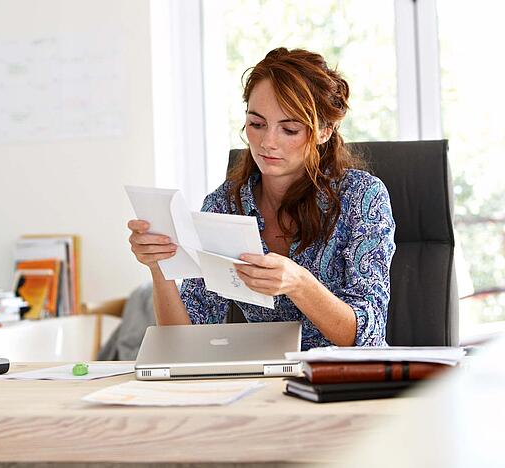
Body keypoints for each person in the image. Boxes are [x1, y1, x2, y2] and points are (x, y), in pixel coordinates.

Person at [128, 47, 395, 349]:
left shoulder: (361, 198)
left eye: (289, 129)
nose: (267, 142)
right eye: (257, 124)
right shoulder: (225, 205)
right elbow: (185, 343)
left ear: (325, 131)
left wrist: (299, 283)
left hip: (347, 384)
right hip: (268, 381)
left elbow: (367, 339)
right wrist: (159, 266)